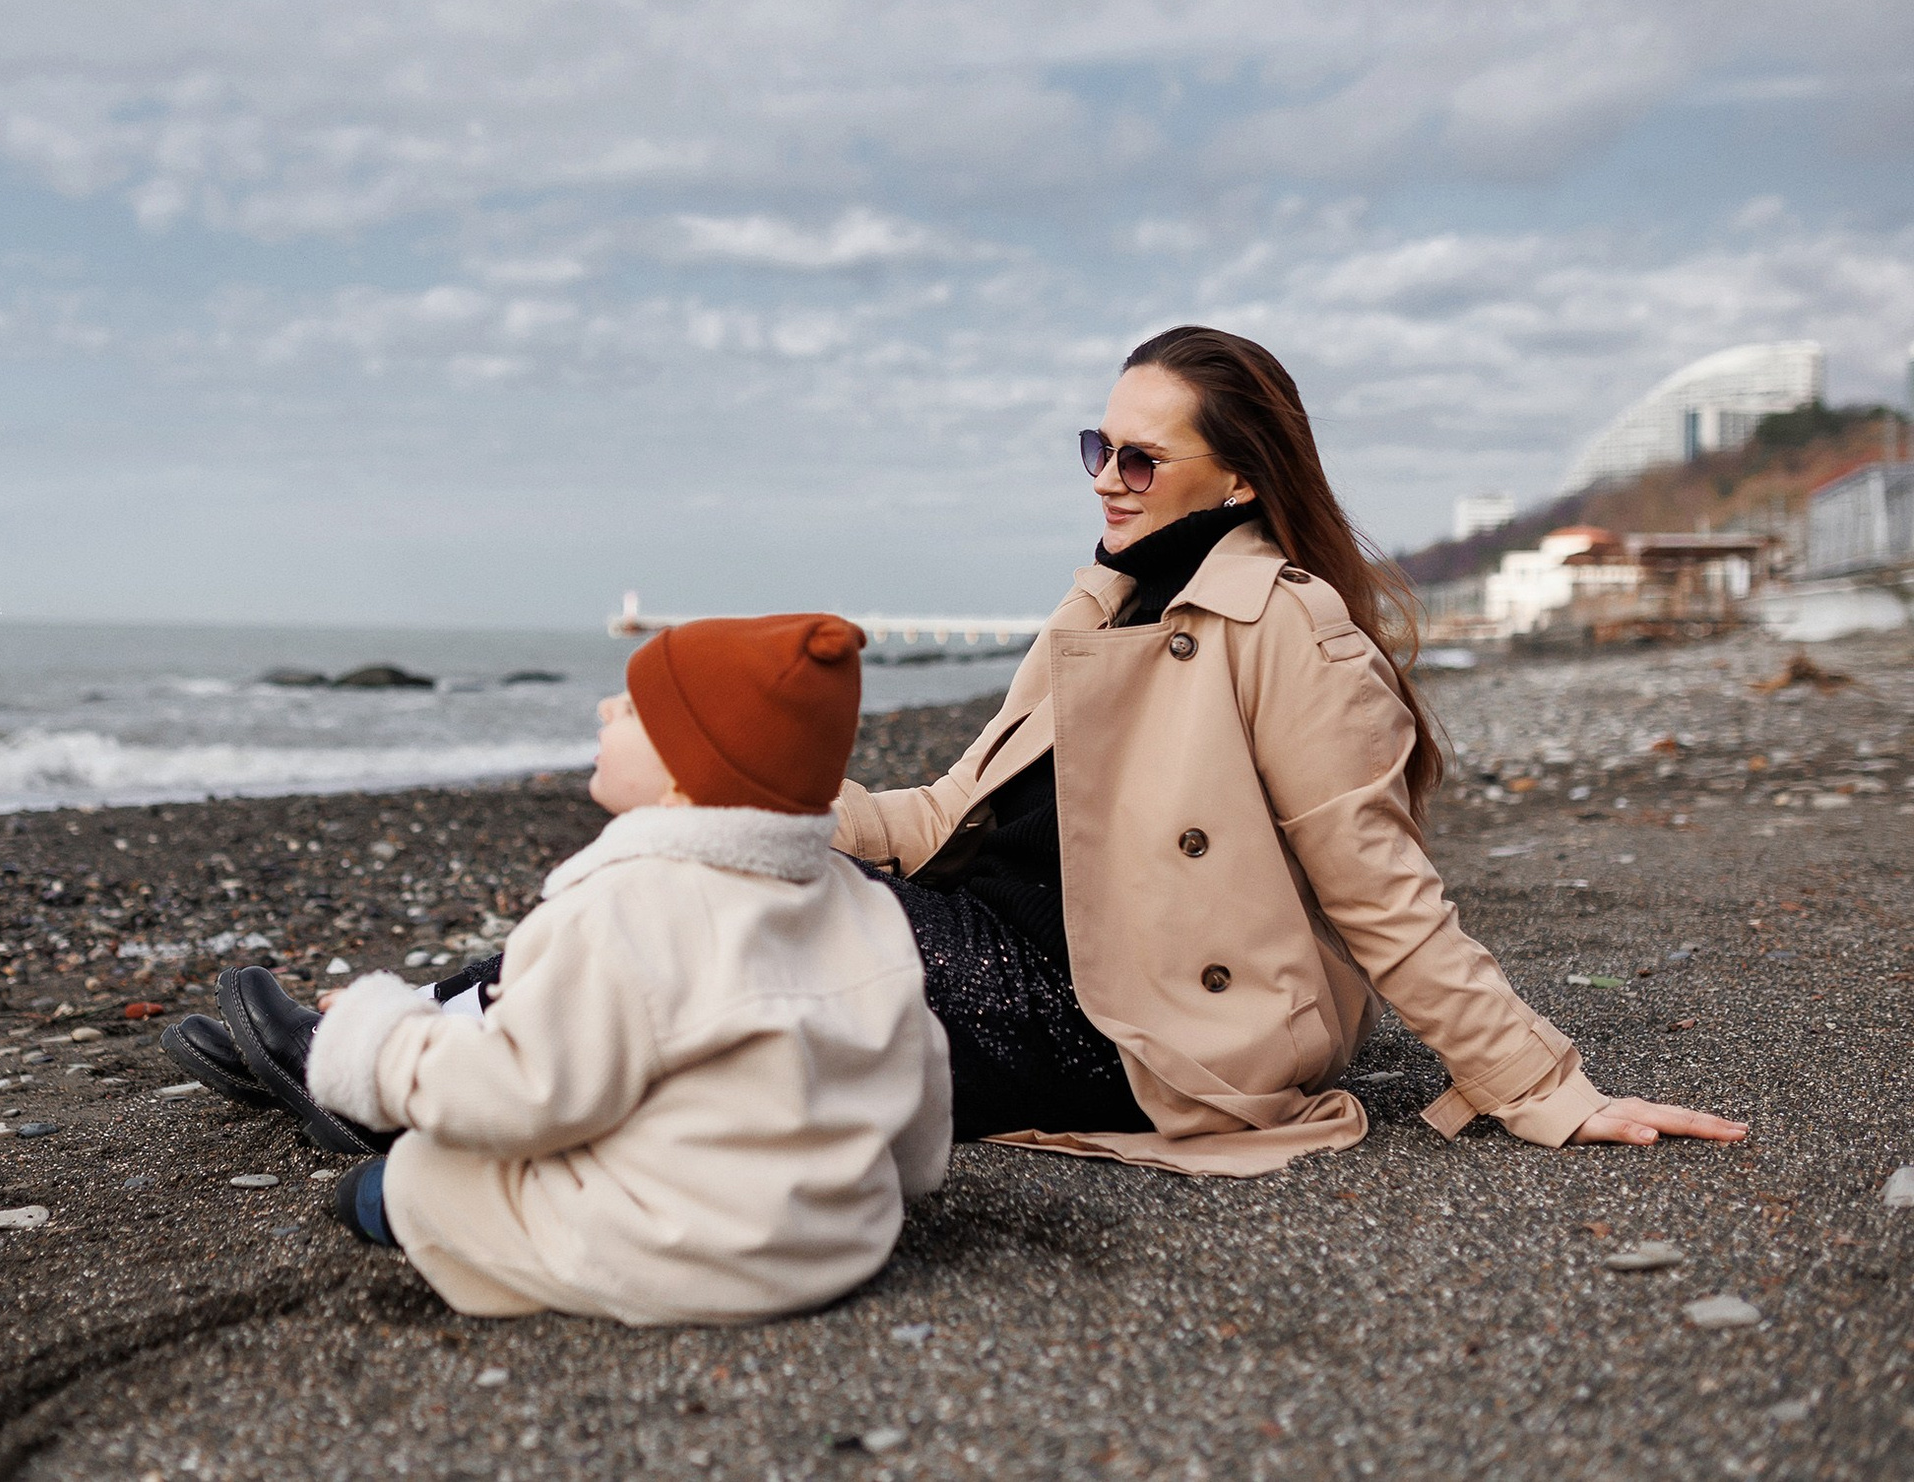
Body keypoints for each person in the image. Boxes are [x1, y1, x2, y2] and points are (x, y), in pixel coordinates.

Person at [824, 325, 1745, 1172]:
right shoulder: (1102, 601)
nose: (1106, 478)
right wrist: (752, 805)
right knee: (730, 882)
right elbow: (948, 808)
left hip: (1112, 1023)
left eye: (1140, 460)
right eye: (1097, 449)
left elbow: (1382, 891)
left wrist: (1540, 1085)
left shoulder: (1288, 625)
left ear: (1240, 479)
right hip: (993, 947)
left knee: (743, 936)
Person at [201, 614, 951, 1324]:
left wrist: (372, 1041)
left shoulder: (623, 908)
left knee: (424, 1172)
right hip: (843, 1243)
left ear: (685, 779)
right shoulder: (862, 903)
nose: (603, 707)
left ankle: (390, 1204)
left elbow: (522, 1090)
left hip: (684, 1253)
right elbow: (917, 1079)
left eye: (631, 709)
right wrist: (895, 1180)